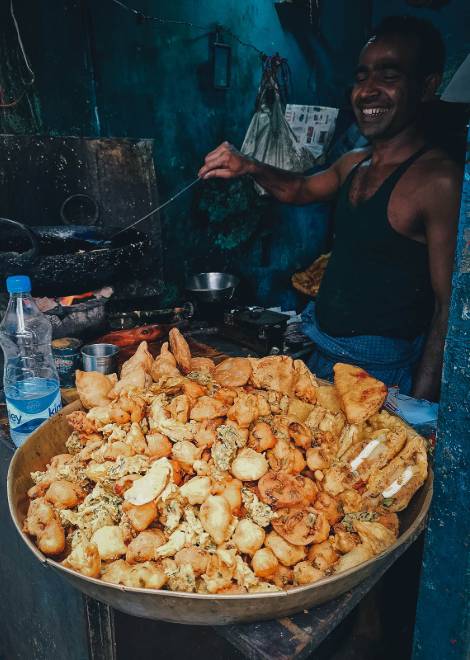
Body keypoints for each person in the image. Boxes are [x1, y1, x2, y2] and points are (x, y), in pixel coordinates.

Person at [198, 16, 462, 401]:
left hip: (382, 374)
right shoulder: (354, 163)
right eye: (361, 76)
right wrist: (248, 164)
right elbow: (300, 188)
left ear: (426, 87)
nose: (368, 90)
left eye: (388, 76)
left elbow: (447, 305)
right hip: (321, 349)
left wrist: (418, 405)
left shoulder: (439, 181)